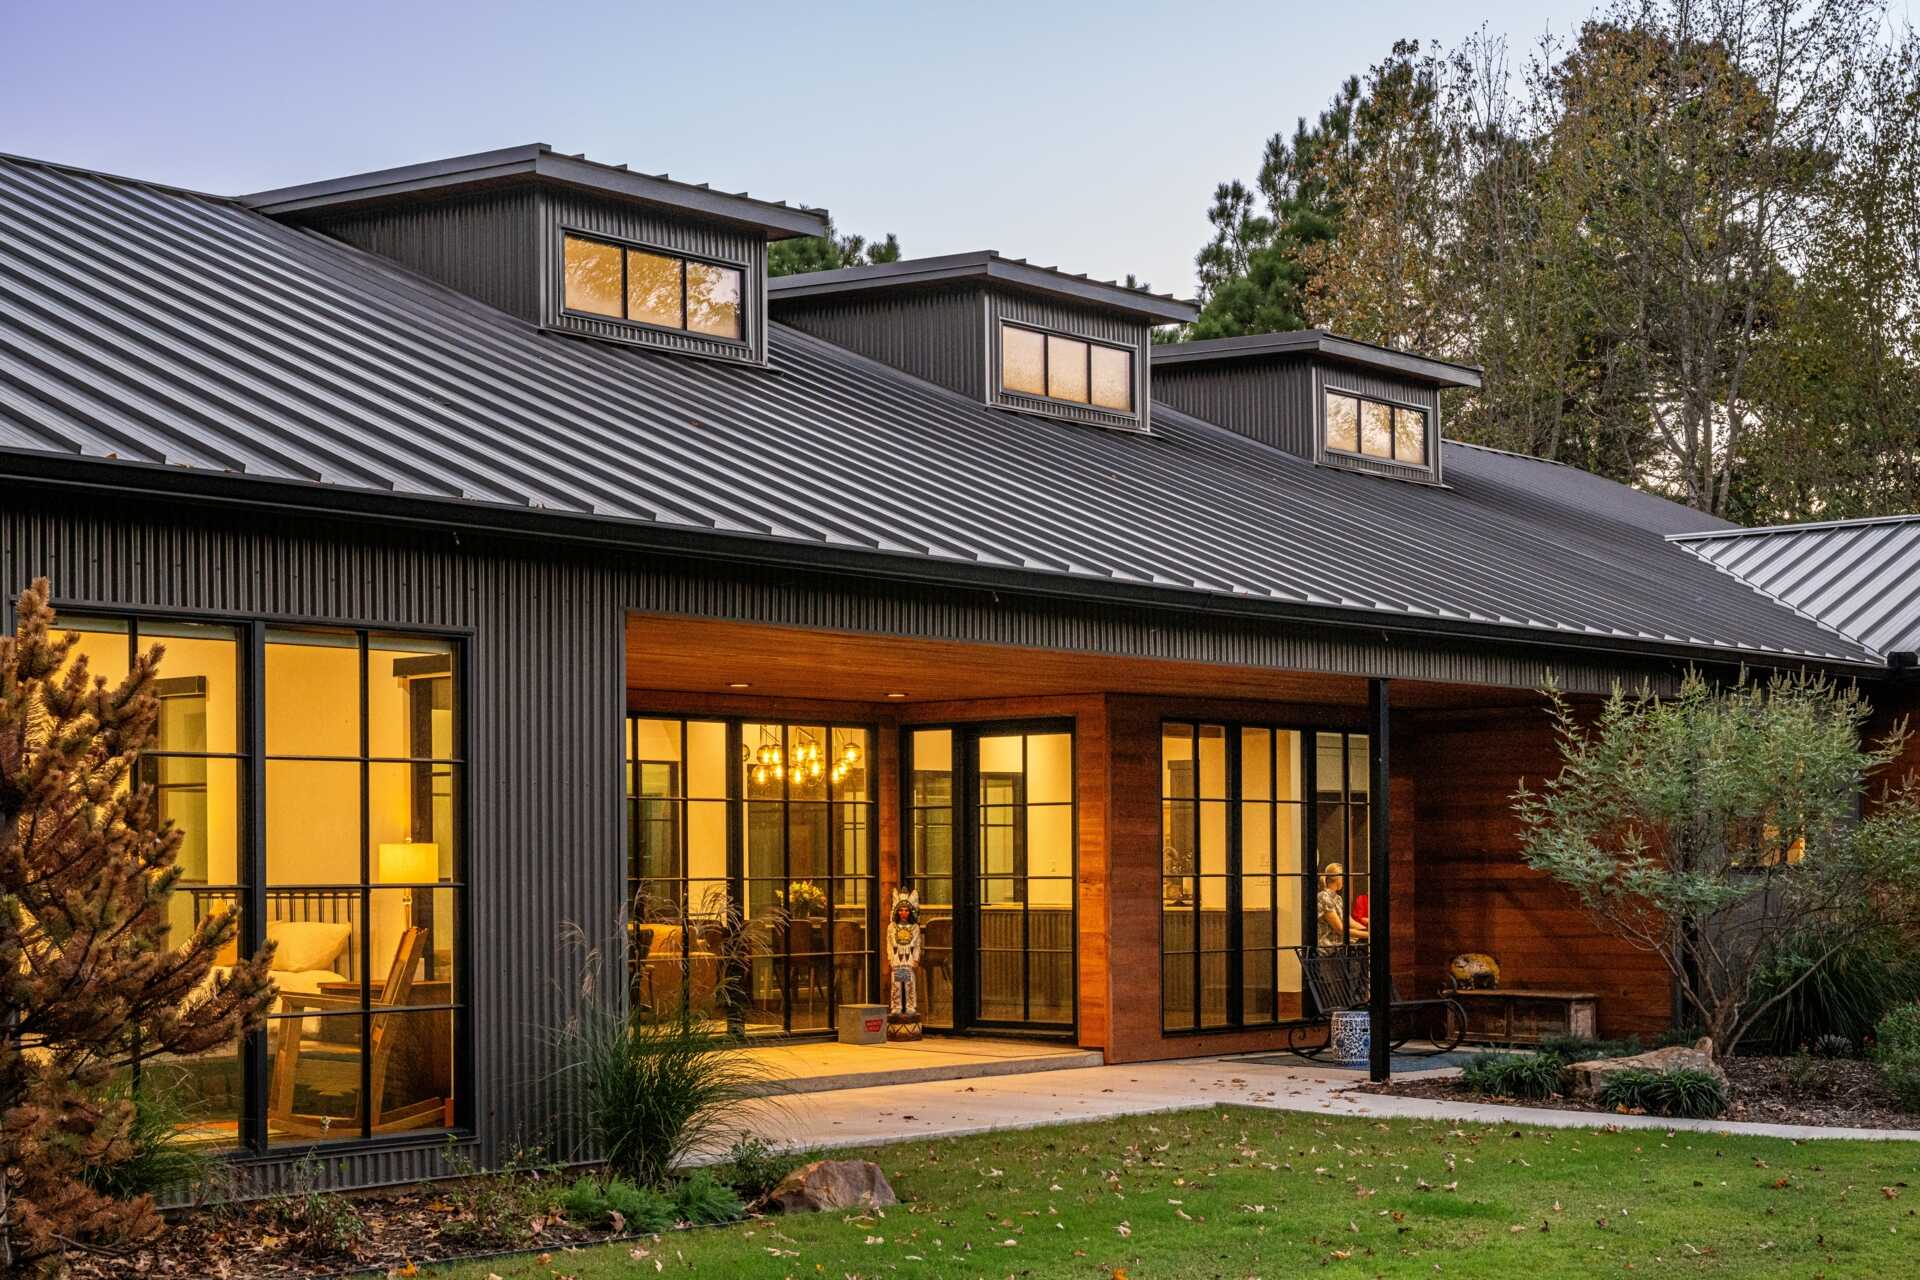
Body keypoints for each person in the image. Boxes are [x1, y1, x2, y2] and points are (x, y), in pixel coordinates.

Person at [1317, 862, 1368, 948]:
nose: (1344, 881)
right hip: (1330, 946)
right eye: (1343, 878)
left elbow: (1349, 921)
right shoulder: (1324, 897)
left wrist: (1365, 929)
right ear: (1338, 878)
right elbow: (1340, 929)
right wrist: (1367, 935)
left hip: (1341, 944)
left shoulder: (1338, 898)